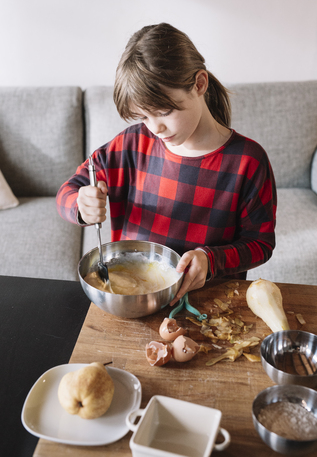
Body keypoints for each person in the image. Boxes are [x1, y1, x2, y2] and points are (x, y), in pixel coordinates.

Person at [56, 22, 276, 305]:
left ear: (199, 84)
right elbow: (68, 190)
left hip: (211, 302)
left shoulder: (248, 161)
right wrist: (80, 205)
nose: (154, 128)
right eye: (143, 117)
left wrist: (212, 260)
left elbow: (260, 244)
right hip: (133, 300)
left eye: (163, 112)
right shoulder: (131, 145)